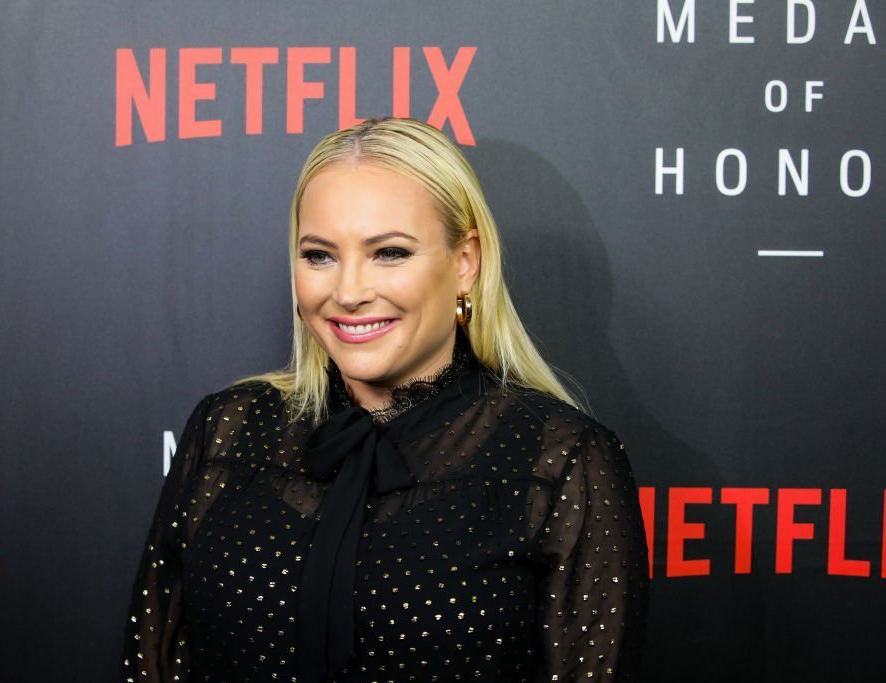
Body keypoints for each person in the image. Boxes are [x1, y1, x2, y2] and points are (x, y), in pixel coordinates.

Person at [123, 117, 649, 682]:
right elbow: (153, 660)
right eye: (320, 255)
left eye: (389, 252)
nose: (348, 292)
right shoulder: (226, 430)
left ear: (465, 262)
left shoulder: (562, 460)